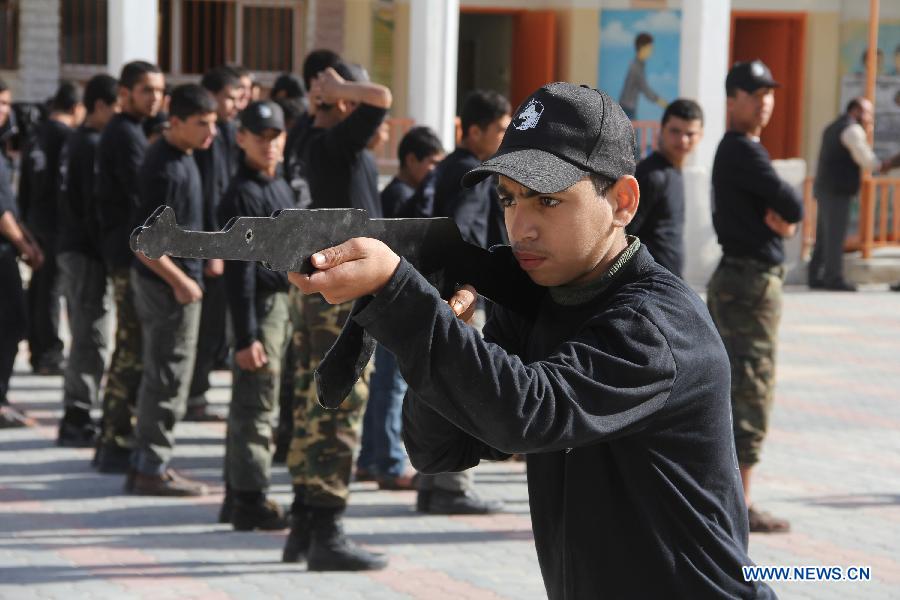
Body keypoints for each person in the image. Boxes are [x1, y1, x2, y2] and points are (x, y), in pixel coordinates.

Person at [288, 81, 774, 599]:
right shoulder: (544, 297)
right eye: (509, 200)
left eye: (548, 200)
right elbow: (439, 448)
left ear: (623, 201)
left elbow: (530, 412)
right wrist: (445, 319)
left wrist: (403, 296)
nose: (522, 227)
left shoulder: (656, 323)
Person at [281, 63, 390, 572]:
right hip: (341, 294)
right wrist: (337, 90)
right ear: (342, 102)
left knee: (312, 400)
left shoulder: (306, 137)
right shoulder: (333, 143)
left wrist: (324, 98)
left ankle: (304, 522)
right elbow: (382, 98)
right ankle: (326, 528)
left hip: (317, 290)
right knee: (338, 400)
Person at [707, 60, 803, 533]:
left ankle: (729, 497)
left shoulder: (743, 152)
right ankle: (739, 503)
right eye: (754, 92)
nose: (764, 100)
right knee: (750, 384)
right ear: (732, 100)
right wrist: (783, 212)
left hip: (743, 279)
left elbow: (786, 208)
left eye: (769, 92)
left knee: (740, 382)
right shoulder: (742, 151)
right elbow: (794, 204)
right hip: (749, 282)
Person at [419, 90, 511, 515]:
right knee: (463, 387)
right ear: (474, 131)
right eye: (500, 130)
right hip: (461, 300)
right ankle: (451, 488)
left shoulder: (447, 169)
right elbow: (466, 236)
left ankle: (433, 483)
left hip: (438, 294)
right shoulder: (472, 175)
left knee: (439, 387)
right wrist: (471, 288)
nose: (507, 137)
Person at [127, 84, 217, 496]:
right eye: (202, 124)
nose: (210, 133)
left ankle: (151, 462)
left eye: (213, 124)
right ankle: (150, 467)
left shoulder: (185, 157)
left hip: (180, 283)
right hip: (167, 288)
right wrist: (181, 282)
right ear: (175, 122)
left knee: (169, 374)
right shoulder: (162, 166)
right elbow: (144, 241)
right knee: (167, 376)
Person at [216, 100, 295, 530]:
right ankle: (249, 498)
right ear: (241, 137)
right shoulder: (242, 193)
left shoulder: (278, 186)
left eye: (276, 136)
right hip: (259, 309)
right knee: (255, 402)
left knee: (257, 401)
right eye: (260, 136)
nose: (269, 144)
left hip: (280, 306)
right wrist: (246, 337)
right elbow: (238, 273)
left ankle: (237, 493)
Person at [356, 126, 444, 491]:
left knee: (386, 384)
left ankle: (370, 458)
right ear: (411, 161)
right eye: (432, 164)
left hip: (386, 300)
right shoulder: (400, 197)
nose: (435, 172)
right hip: (392, 301)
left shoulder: (402, 192)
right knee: (390, 385)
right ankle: (389, 461)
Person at [95, 60, 166, 473]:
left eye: (158, 90)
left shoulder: (134, 132)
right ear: (125, 94)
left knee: (130, 345)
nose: (154, 98)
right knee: (131, 348)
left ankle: (115, 434)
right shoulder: (125, 134)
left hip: (127, 253)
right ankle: (115, 437)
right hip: (128, 257)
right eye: (146, 91)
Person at [56, 74, 120, 446]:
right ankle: (77, 415)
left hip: (77, 247)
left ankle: (79, 410)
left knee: (89, 330)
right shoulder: (91, 144)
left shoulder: (79, 140)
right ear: (99, 106)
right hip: (84, 251)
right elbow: (89, 204)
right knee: (90, 334)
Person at [185, 66, 243, 421]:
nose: (236, 104)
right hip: (211, 247)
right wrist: (214, 247)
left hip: (226, 242)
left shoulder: (226, 132)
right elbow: (206, 195)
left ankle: (197, 392)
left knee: (215, 325)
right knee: (205, 326)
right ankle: (194, 397)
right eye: (231, 97)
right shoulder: (205, 138)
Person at [19, 81, 85, 375]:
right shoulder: (69, 138)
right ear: (76, 108)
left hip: (35, 221)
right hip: (58, 224)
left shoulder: (36, 134)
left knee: (41, 287)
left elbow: (24, 185)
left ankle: (39, 350)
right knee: (52, 290)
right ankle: (48, 353)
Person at [809, 97, 900, 291]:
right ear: (856, 112)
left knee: (824, 235)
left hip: (825, 188)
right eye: (867, 114)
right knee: (834, 236)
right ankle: (833, 278)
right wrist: (882, 165)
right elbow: (866, 159)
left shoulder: (833, 126)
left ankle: (815, 275)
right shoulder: (852, 129)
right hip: (837, 190)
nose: (870, 119)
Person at [0, 77, 44, 429]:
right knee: (12, 322)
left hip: (7, 250)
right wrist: (24, 245)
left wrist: (27, 239)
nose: (3, 112)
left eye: (5, 104)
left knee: (13, 324)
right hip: (3, 250)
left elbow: (9, 207)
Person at [626, 98, 704, 277]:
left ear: (700, 136)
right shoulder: (651, 175)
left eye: (690, 134)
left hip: (668, 283)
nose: (683, 140)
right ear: (661, 131)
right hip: (647, 285)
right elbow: (624, 236)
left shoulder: (674, 172)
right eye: (675, 131)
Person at [619, 32, 667, 120]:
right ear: (642, 47)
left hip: (628, 107)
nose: (651, 51)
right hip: (627, 108)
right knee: (632, 132)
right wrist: (662, 103)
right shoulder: (636, 67)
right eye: (649, 48)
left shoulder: (639, 65)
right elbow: (645, 88)